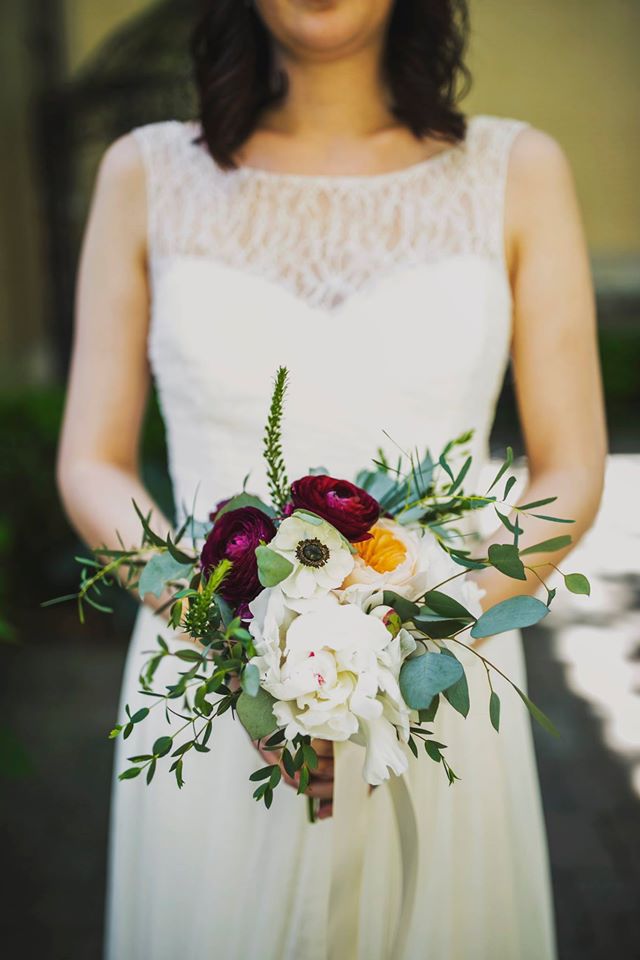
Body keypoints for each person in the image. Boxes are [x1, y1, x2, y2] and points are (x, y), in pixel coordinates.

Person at [57, 1, 606, 957]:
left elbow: (571, 469)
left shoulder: (517, 172)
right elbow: (91, 462)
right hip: (206, 691)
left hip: (441, 685)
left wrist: (420, 631)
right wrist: (227, 638)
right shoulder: (144, 174)